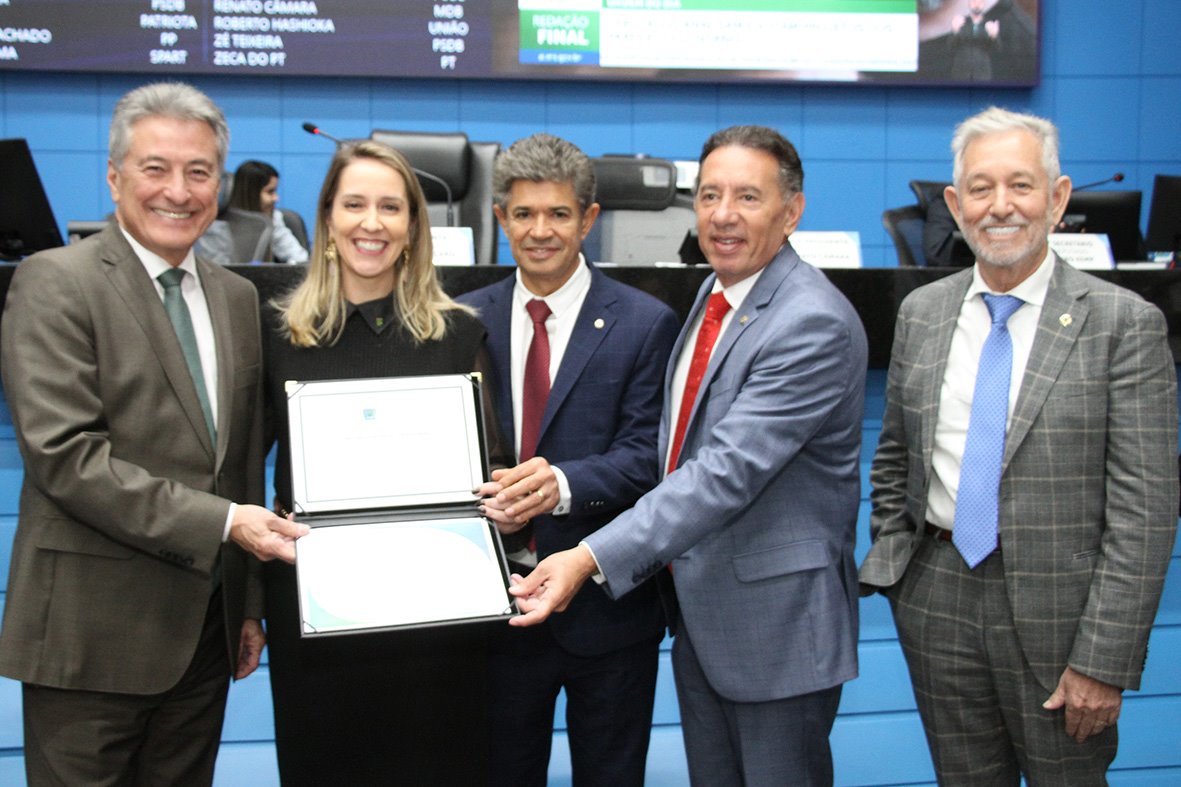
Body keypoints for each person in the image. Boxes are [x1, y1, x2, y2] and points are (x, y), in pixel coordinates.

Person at [507, 125, 868, 785]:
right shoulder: (716, 294)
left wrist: (587, 557)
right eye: (709, 195)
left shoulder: (808, 320)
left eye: (747, 197)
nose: (722, 215)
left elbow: (722, 474)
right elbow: (673, 449)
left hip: (777, 628)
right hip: (705, 615)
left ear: (791, 211)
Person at [859, 107, 1178, 783]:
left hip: (1064, 613)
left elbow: (1144, 514)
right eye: (980, 188)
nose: (999, 205)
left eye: (1020, 185)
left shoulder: (1123, 325)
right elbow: (894, 457)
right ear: (955, 205)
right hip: (936, 597)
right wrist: (900, 566)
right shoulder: (922, 312)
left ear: (1056, 199)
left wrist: (1104, 658)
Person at [0, 81, 305, 785]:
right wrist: (226, 524)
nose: (178, 190)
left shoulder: (236, 296)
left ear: (219, 184)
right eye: (155, 168)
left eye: (199, 171)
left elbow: (240, 460)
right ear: (114, 178)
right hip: (89, 636)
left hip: (204, 638)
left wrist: (247, 606)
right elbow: (67, 458)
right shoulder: (55, 282)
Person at [263, 139, 506, 785]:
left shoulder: (459, 334)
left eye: (391, 207)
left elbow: (493, 469)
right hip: (318, 610)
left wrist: (506, 503)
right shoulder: (277, 334)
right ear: (327, 219)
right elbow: (239, 471)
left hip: (436, 617)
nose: (371, 223)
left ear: (413, 227)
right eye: (354, 204)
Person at [457, 133, 679, 786]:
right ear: (501, 218)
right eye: (523, 214)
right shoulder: (463, 321)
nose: (540, 231)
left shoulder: (644, 322)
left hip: (607, 613)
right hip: (492, 607)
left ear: (588, 218)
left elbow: (649, 457)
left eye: (558, 213)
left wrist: (560, 483)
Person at [228, 159, 309, 263]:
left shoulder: (273, 218)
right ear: (251, 193)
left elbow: (300, 258)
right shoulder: (221, 222)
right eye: (270, 192)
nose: (276, 198)